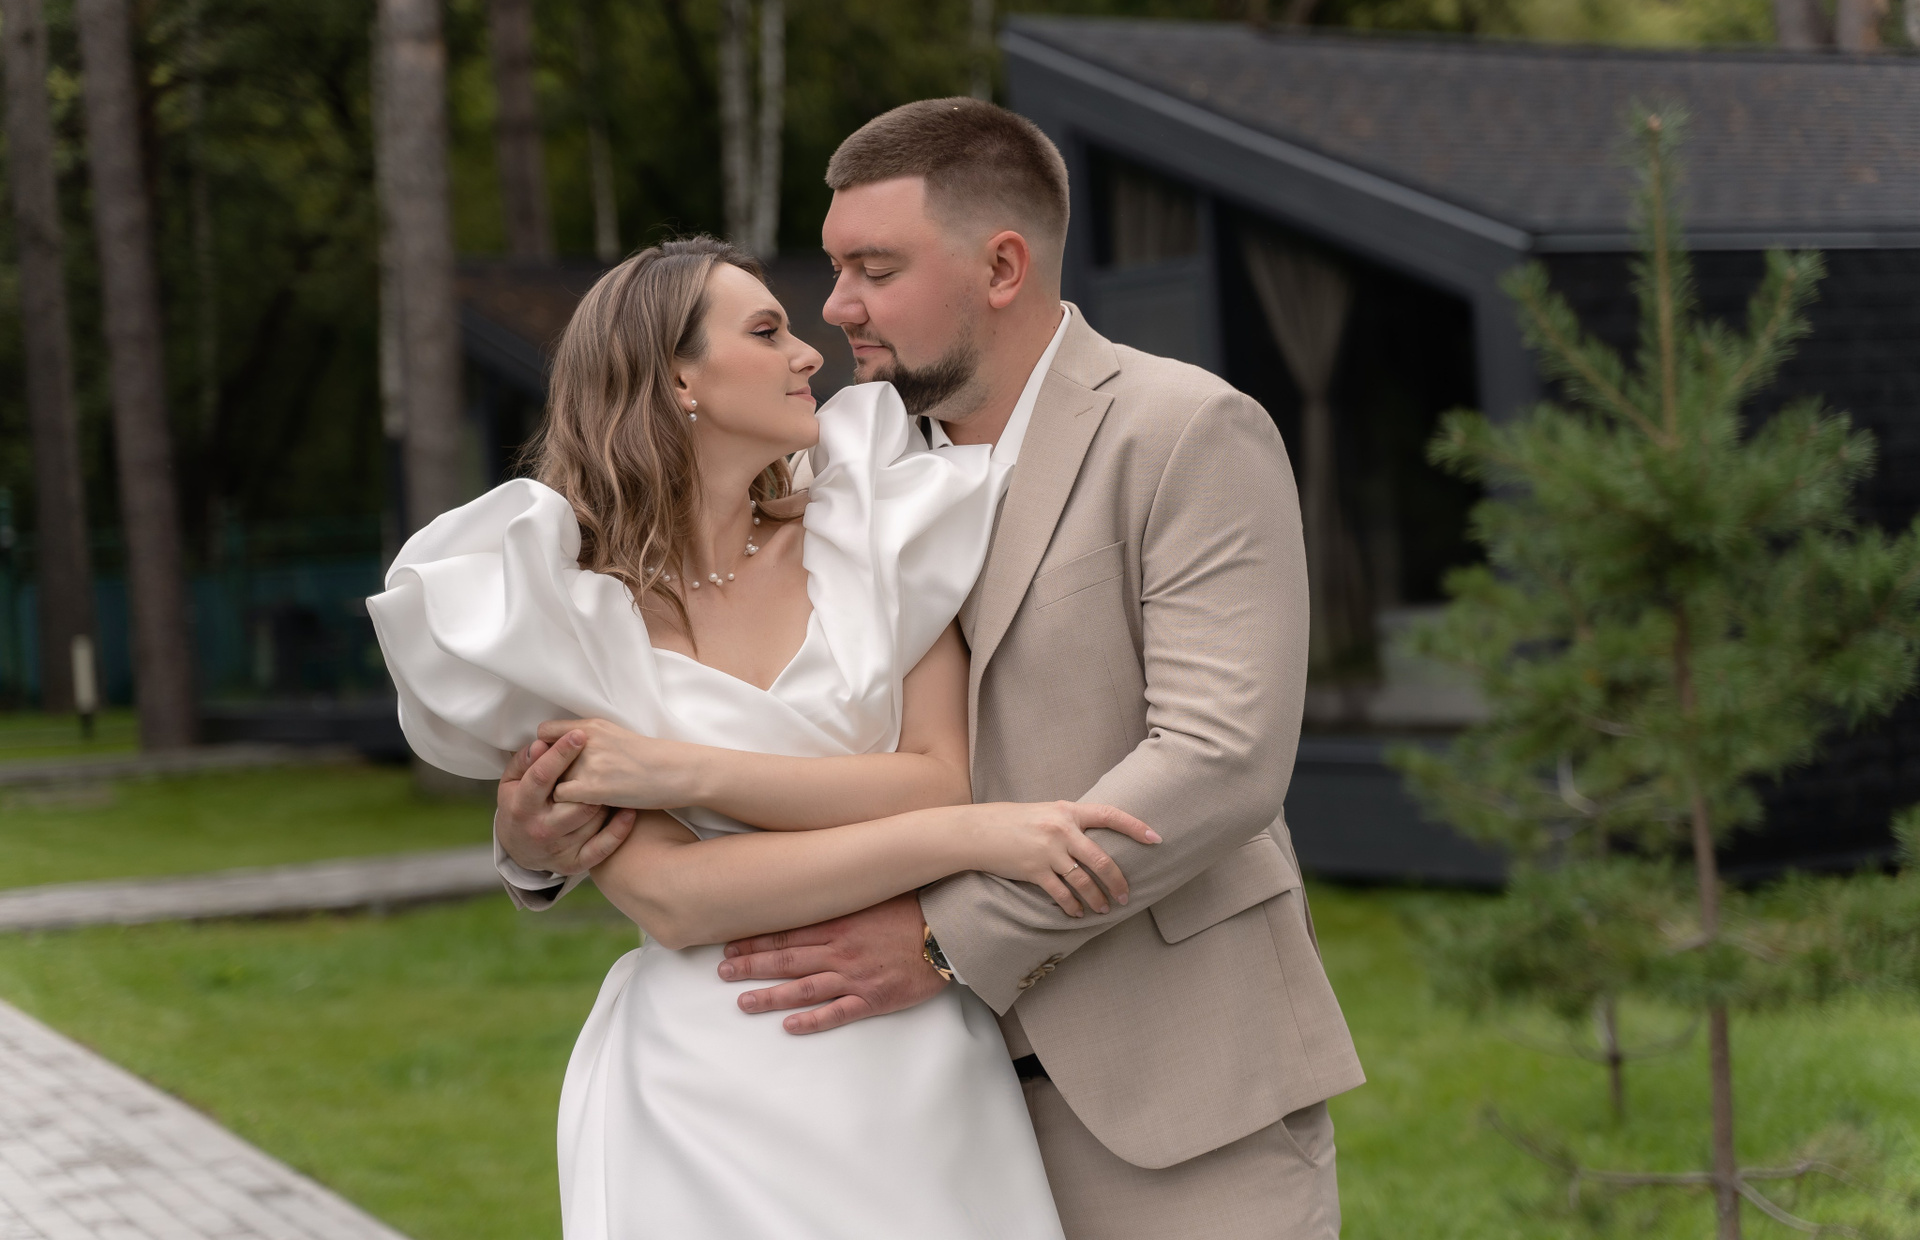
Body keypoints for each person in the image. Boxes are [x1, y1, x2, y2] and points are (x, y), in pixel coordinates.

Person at [498, 99, 1365, 1239]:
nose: (836, 307)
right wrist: (537, 846)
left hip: (1172, 1088)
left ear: (1001, 266)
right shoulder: (828, 467)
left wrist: (945, 939)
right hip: (877, 1112)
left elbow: (1219, 759)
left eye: (875, 269)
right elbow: (700, 691)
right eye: (836, 269)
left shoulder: (1184, 430)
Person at [368, 236, 1167, 1239]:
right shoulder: (559, 612)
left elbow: (938, 778)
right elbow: (677, 896)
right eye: (766, 331)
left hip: (915, 1064)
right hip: (708, 1080)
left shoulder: (874, 532)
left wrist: (680, 772)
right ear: (678, 380)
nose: (809, 353)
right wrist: (974, 838)